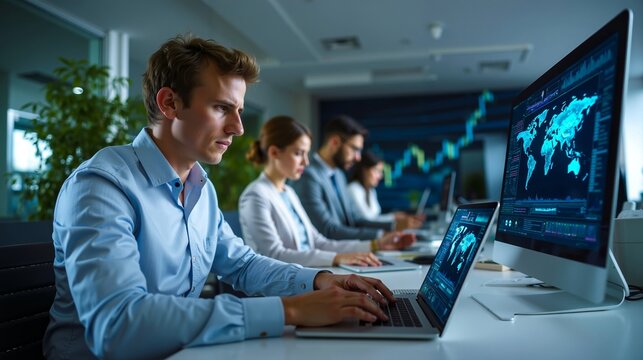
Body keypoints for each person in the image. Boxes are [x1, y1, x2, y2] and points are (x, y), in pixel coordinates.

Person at [43, 35, 400, 359]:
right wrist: (290, 311)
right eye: (221, 108)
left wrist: (319, 280)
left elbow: (242, 264)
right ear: (169, 103)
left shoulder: (201, 188)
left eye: (239, 111)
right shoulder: (101, 186)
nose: (239, 128)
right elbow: (119, 325)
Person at [239, 116, 415, 267]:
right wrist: (337, 258)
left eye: (307, 154)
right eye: (299, 153)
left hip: (304, 273)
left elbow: (318, 242)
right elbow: (274, 255)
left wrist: (375, 244)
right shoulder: (256, 195)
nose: (306, 162)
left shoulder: (288, 193)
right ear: (274, 152)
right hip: (279, 289)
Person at [291, 115, 394, 240]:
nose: (358, 157)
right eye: (354, 149)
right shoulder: (308, 176)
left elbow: (353, 220)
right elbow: (327, 230)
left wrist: (393, 226)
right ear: (335, 142)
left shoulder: (339, 175)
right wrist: (381, 236)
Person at [347, 150, 424, 229]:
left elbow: (375, 218)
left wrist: (394, 217)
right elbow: (367, 222)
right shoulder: (353, 189)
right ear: (364, 170)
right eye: (377, 171)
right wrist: (394, 218)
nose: (380, 176)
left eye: (381, 172)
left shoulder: (370, 190)